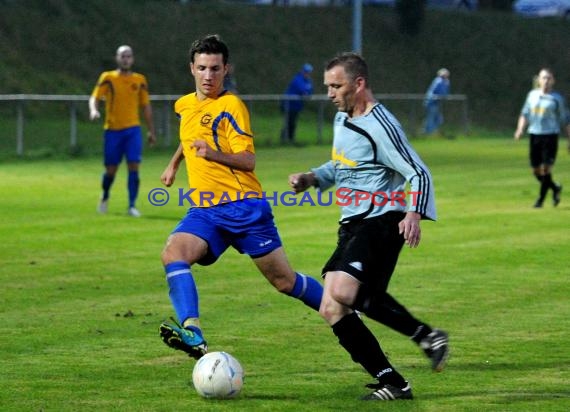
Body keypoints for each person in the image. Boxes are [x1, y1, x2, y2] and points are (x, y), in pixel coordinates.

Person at [289, 52, 449, 401]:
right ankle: (393, 381)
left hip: (382, 217)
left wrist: (413, 214)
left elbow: (418, 172)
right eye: (327, 86)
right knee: (331, 306)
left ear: (358, 84)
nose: (329, 93)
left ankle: (425, 335)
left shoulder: (382, 125)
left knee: (344, 291)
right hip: (352, 222)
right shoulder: (342, 118)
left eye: (336, 86)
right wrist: (313, 177)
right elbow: (344, 164)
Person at [157, 34, 323, 360]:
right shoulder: (185, 104)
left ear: (226, 69)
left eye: (215, 69)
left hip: (243, 207)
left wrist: (212, 154)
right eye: (202, 68)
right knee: (173, 253)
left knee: (284, 281)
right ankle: (193, 332)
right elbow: (191, 135)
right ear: (191, 68)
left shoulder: (232, 106)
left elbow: (248, 160)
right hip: (205, 210)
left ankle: (341, 308)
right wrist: (174, 163)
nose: (208, 76)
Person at [89, 45, 156, 217]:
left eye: (128, 56)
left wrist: (151, 130)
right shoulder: (108, 77)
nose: (126, 59)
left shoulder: (139, 80)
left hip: (132, 130)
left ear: (132, 59)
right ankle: (104, 196)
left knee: (134, 165)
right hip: (113, 130)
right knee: (111, 169)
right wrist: (94, 110)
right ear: (117, 58)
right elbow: (94, 97)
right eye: (122, 56)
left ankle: (132, 205)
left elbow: (146, 106)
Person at [514, 68, 569, 208]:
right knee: (536, 170)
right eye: (543, 78)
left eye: (549, 78)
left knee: (546, 169)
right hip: (534, 135)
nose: (546, 81)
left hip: (550, 136)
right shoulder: (532, 95)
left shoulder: (557, 99)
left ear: (553, 81)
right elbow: (524, 114)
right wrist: (520, 129)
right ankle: (555, 188)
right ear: (538, 80)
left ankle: (540, 201)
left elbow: (565, 120)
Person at [280, 63, 314, 145]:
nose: (307, 74)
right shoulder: (297, 79)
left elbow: (309, 91)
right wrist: (306, 92)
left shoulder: (308, 81)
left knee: (292, 123)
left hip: (296, 106)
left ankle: (289, 140)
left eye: (308, 72)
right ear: (302, 71)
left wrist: (306, 93)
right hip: (288, 105)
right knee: (289, 123)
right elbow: (303, 90)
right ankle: (285, 140)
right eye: (305, 72)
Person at [423, 68, 450, 135]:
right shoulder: (438, 81)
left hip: (436, 103)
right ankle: (428, 132)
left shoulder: (444, 81)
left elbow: (445, 93)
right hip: (431, 102)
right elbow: (438, 92)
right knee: (431, 118)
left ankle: (428, 131)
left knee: (439, 119)